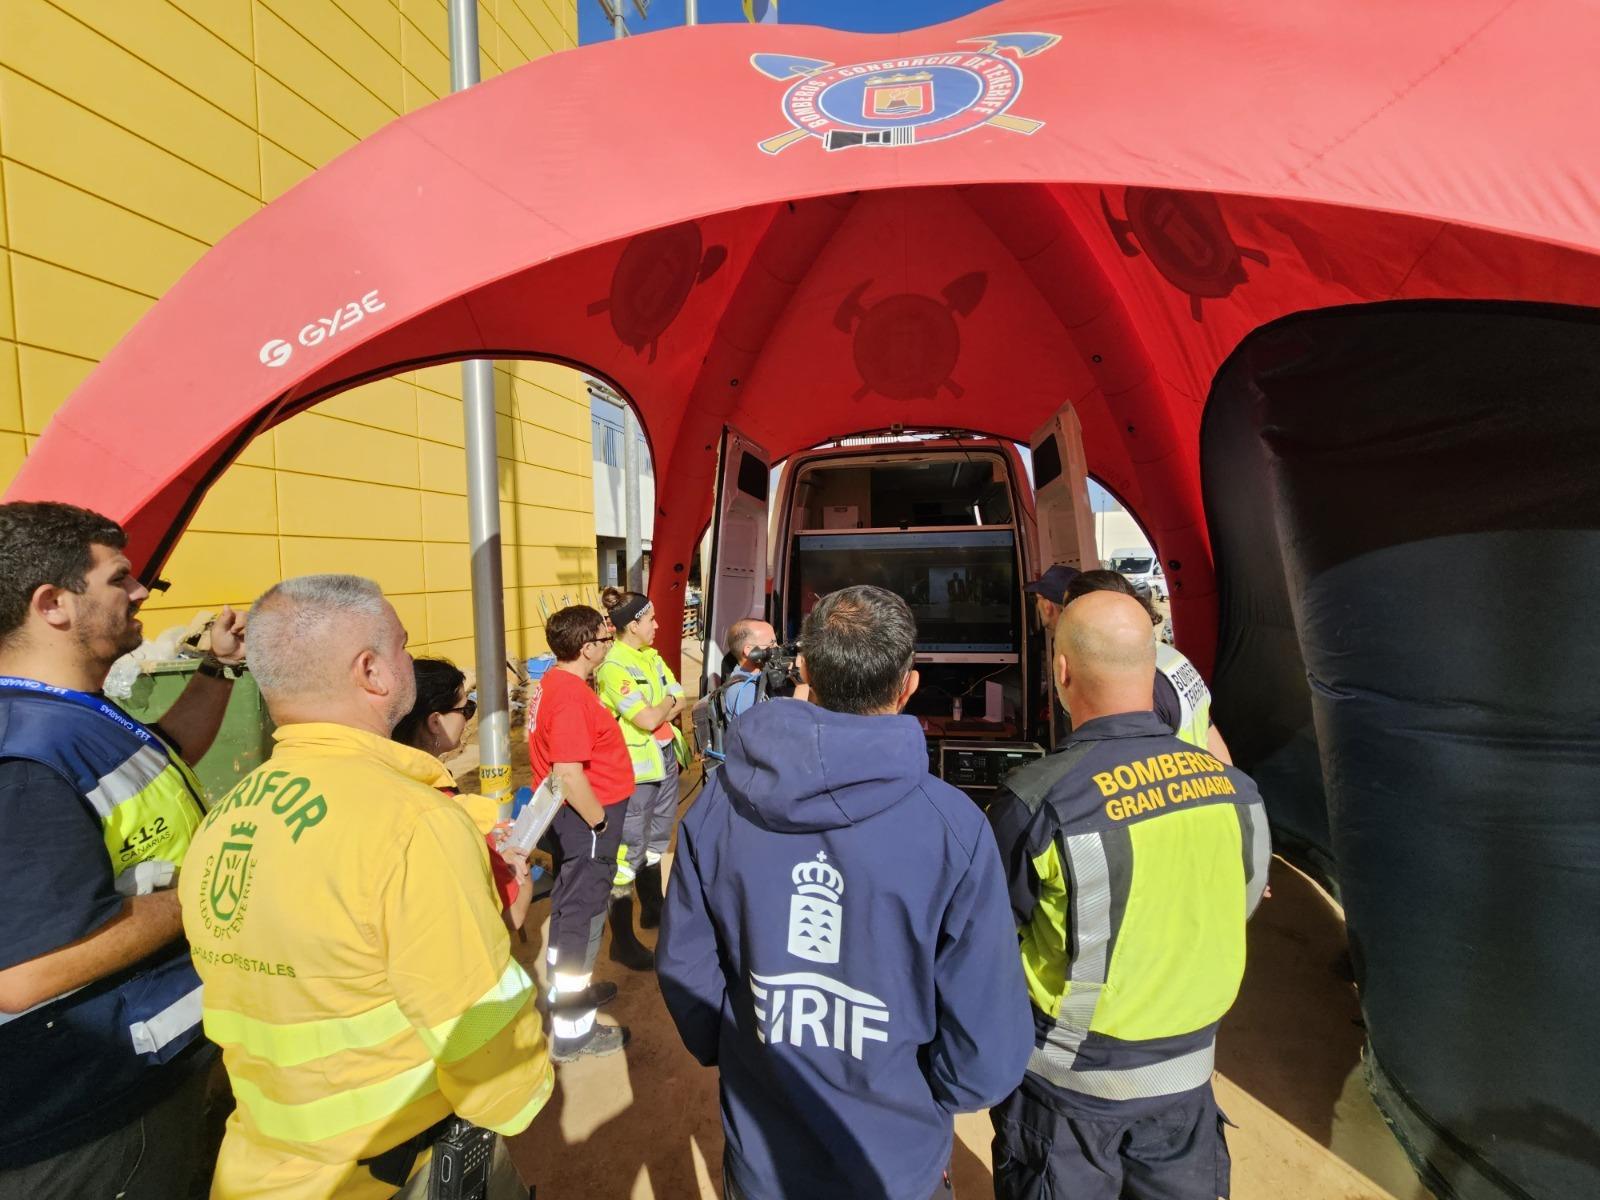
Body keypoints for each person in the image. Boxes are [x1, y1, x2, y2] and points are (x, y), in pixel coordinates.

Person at [179, 575, 550, 1199]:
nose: (412, 659)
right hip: (395, 1167)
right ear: (373, 671)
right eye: (404, 647)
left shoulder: (227, 814)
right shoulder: (411, 823)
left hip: (260, 1165)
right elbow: (491, 1058)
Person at [659, 585, 1035, 1200]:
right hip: (896, 1163)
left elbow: (687, 970)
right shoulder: (954, 827)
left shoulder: (717, 807)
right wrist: (921, 1095)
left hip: (762, 1159)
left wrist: (746, 1044)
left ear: (803, 671)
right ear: (908, 685)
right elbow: (986, 1049)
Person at [986, 591, 1272, 1200]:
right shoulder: (1237, 792)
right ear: (1153, 664)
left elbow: (986, 942)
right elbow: (1239, 903)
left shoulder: (1038, 801)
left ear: (1061, 672)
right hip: (1188, 1084)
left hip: (1066, 1098)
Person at [0, 501, 245, 1198]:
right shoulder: (22, 753)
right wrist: (212, 890)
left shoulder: (73, 711)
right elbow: (22, 973)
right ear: (52, 604)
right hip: (91, 1118)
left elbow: (165, 750)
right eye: (119, 578)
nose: (142, 593)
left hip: (145, 1078)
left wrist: (217, 669)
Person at [526, 604, 632, 1062]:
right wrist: (600, 822)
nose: (610, 646)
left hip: (574, 818)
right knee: (581, 921)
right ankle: (574, 1031)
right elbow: (569, 772)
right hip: (587, 820)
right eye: (605, 640)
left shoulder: (553, 682)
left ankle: (568, 996)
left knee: (571, 910)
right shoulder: (569, 696)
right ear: (587, 648)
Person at [394, 657, 534, 932]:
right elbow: (512, 915)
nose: (470, 718)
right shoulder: (441, 807)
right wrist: (521, 870)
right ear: (435, 722)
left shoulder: (387, 781)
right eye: (466, 708)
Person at [595, 587, 688, 968]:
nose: (657, 625)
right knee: (627, 853)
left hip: (665, 760)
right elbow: (648, 718)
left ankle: (652, 908)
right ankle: (622, 940)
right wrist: (663, 706)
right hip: (635, 774)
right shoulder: (615, 667)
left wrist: (662, 705)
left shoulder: (649, 656)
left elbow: (681, 696)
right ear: (632, 625)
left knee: (656, 841)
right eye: (650, 619)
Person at [1065, 569, 1234, 763]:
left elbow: (1133, 773)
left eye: (1068, 610)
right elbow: (1209, 732)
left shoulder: (1132, 680)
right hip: (1207, 783)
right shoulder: (1171, 657)